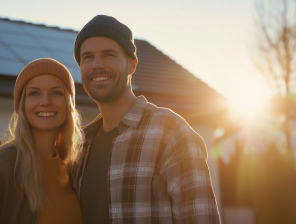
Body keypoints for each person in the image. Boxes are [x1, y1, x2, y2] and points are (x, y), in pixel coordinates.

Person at [71, 15, 221, 224]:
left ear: (132, 65)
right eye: (87, 57)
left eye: (108, 54)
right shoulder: (79, 146)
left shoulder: (170, 132)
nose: (96, 64)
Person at [0, 58, 84, 224]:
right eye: (34, 93)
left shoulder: (73, 169)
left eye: (56, 92)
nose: (45, 101)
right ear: (21, 106)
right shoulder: (0, 168)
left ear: (69, 104)